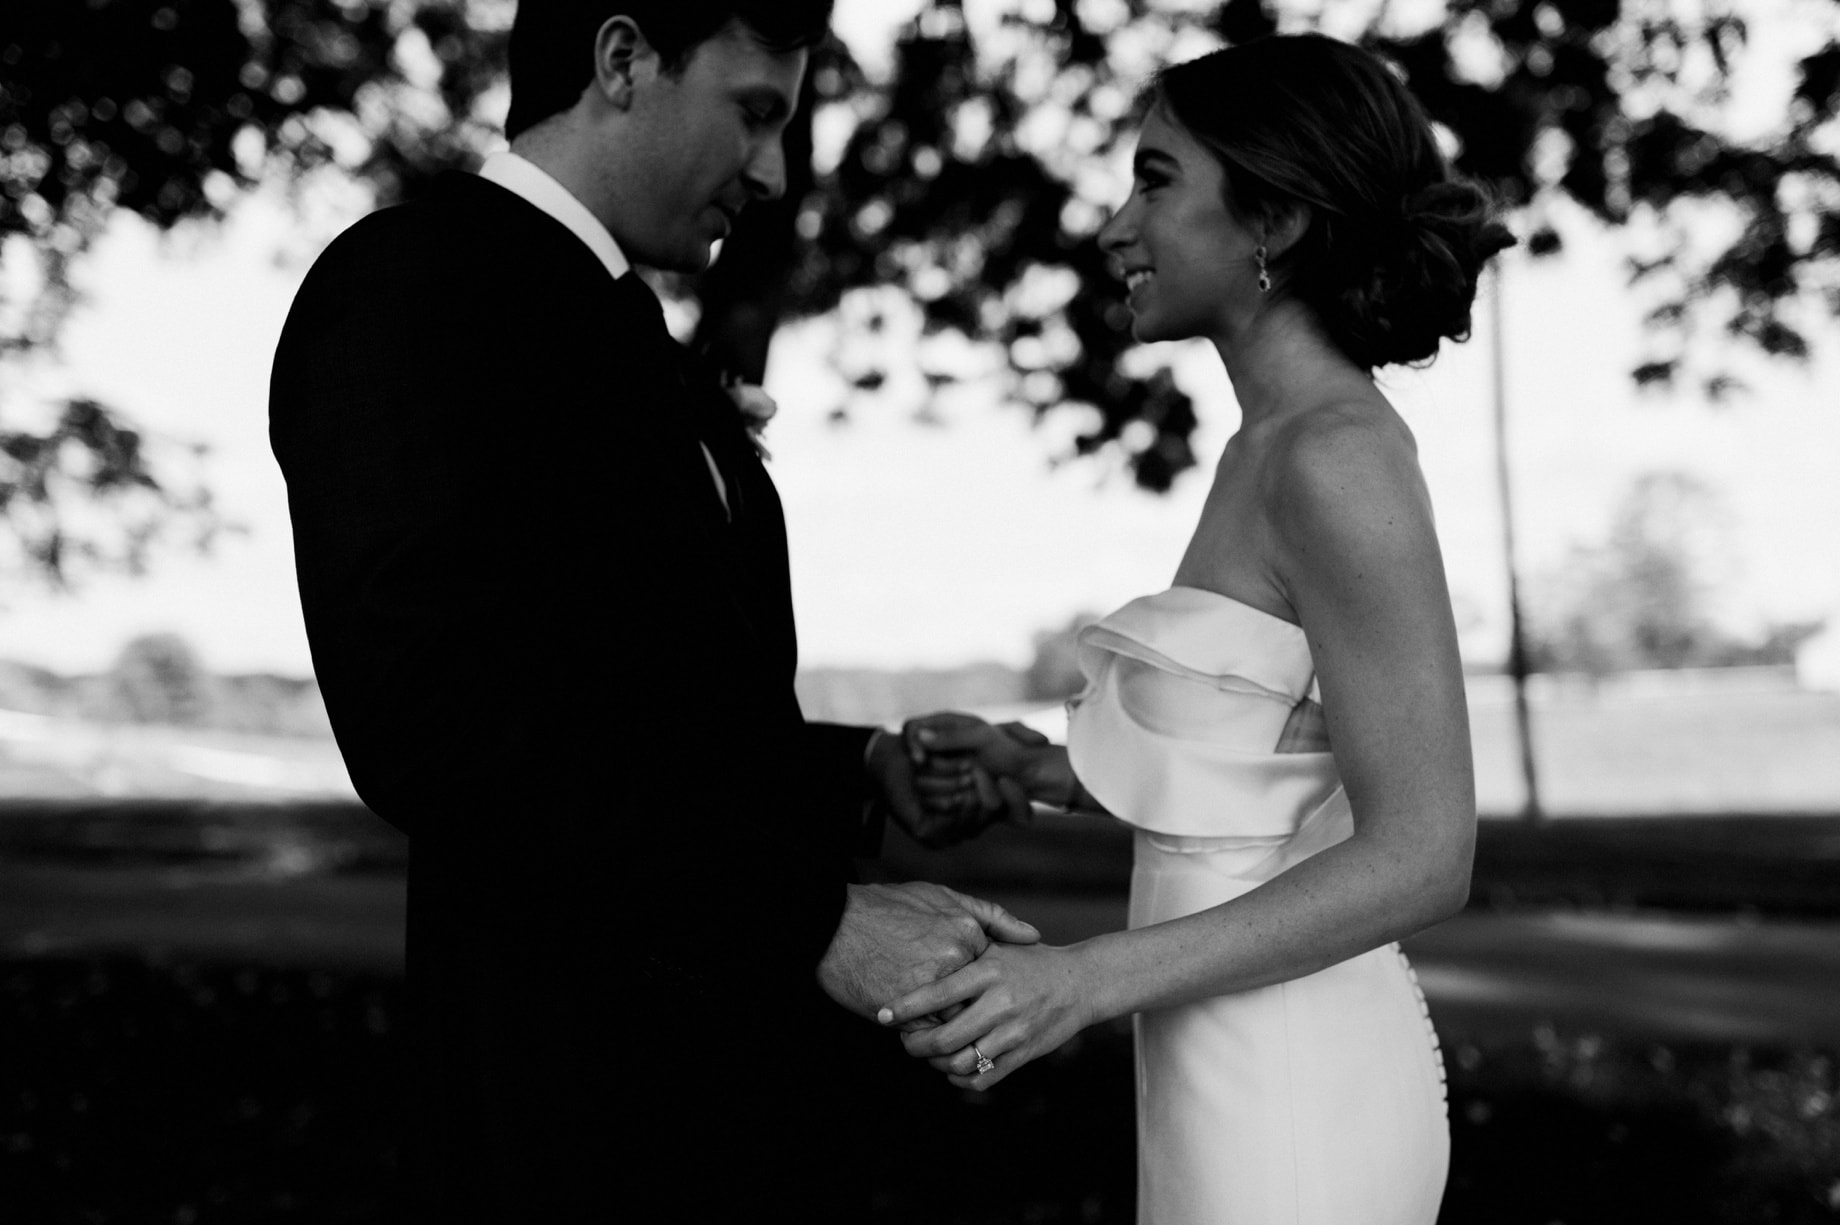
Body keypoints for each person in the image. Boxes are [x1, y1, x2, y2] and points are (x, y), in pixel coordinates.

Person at [268, 3, 1034, 1220]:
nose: (775, 175)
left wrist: (860, 770)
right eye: (755, 113)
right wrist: (806, 917)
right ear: (622, 61)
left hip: (725, 1102)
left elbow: (648, 705)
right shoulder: (411, 289)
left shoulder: (631, 327)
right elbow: (433, 723)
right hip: (567, 1098)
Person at [882, 33, 1515, 1224]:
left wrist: (1080, 980)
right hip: (1212, 1067)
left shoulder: (1336, 458)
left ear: (1270, 219)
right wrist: (1039, 772)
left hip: (1294, 1087)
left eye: (1155, 180)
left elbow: (1425, 852)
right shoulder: (1263, 448)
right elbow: (1261, 771)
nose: (1117, 225)